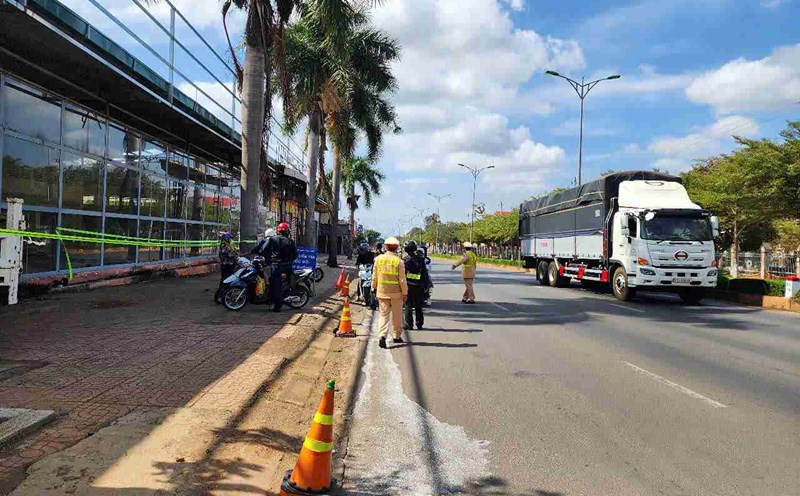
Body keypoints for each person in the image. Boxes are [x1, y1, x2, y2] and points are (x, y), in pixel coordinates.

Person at [371, 236, 408, 349]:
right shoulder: (399, 262)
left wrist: (373, 287)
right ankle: (396, 336)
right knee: (397, 316)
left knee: (383, 315)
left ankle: (382, 335)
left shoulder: (378, 259)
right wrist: (405, 293)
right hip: (396, 294)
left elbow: (375, 276)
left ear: (385, 247)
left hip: (382, 292)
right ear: (396, 248)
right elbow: (402, 279)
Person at [265, 222, 298, 312]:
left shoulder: (272, 239)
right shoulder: (290, 241)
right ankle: (290, 293)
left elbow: (265, 250)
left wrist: (268, 260)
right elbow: (295, 254)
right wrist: (290, 261)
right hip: (287, 266)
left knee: (275, 285)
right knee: (291, 281)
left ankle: (277, 306)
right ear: (287, 231)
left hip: (276, 266)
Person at [402, 241, 426, 330]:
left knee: (408, 305)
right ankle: (419, 324)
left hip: (408, 285)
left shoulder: (404, 260)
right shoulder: (420, 259)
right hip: (419, 285)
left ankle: (409, 324)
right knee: (418, 305)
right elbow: (424, 273)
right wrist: (425, 284)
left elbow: (403, 274)